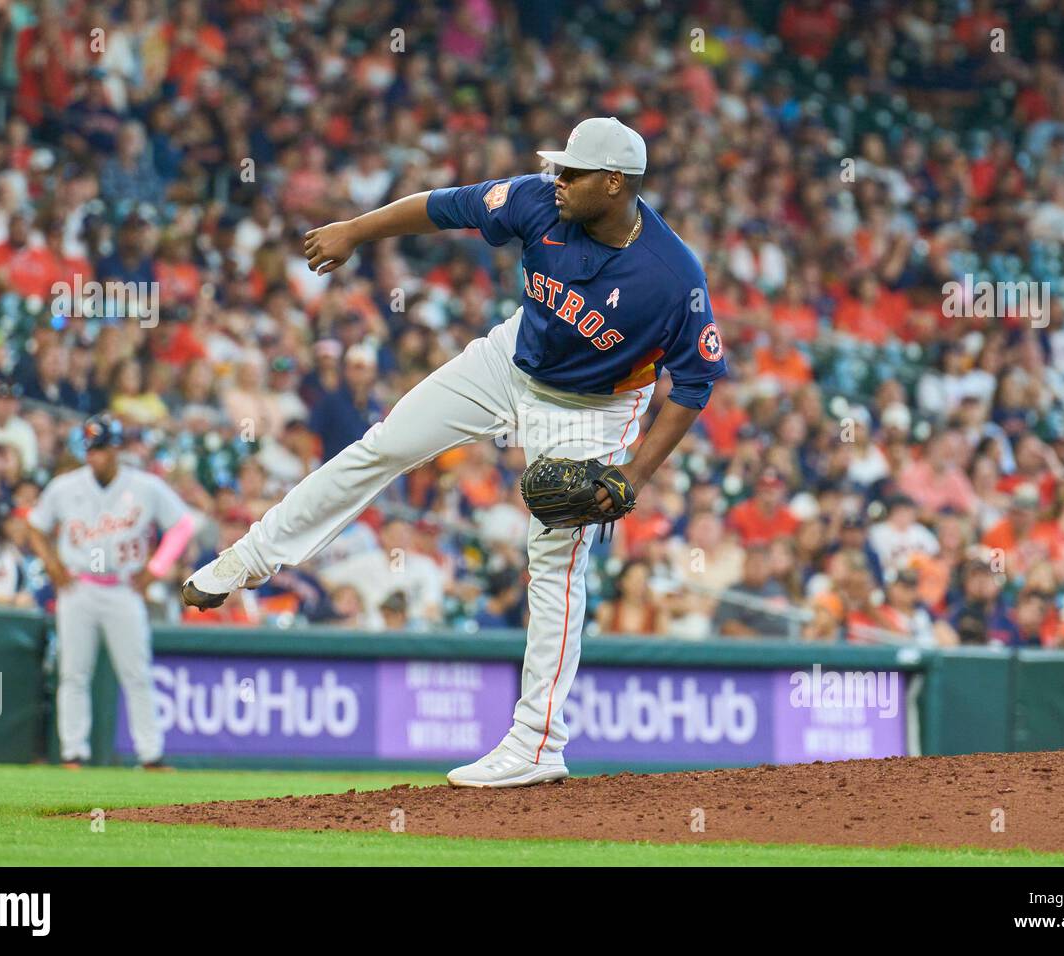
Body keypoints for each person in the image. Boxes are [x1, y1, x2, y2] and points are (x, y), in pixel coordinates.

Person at [183, 117, 727, 787]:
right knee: (383, 446)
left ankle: (537, 745)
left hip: (595, 409)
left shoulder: (673, 276)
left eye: (573, 173)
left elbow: (696, 382)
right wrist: (354, 230)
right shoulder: (536, 199)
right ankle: (248, 558)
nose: (557, 181)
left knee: (556, 562)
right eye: (557, 169)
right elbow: (440, 208)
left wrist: (633, 475)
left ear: (614, 183)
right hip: (511, 358)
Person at [27, 414, 196, 770]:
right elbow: (34, 526)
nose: (95, 456)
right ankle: (73, 753)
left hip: (123, 588)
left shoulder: (145, 486)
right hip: (78, 586)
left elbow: (183, 525)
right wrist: (52, 564)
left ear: (116, 448)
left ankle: (150, 756)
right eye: (90, 449)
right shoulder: (65, 486)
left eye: (101, 448)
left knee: (136, 674)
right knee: (73, 673)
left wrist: (157, 569)